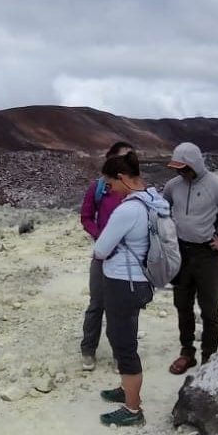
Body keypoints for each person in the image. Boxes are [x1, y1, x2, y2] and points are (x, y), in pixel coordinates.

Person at [93, 151, 169, 427]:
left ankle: (133, 410)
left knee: (123, 345)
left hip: (123, 283)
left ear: (123, 178)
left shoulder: (128, 209)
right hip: (142, 282)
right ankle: (126, 388)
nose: (108, 188)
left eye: (110, 182)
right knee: (127, 335)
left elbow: (101, 249)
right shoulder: (154, 200)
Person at [163, 143, 218, 374]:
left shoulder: (216, 185)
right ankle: (187, 352)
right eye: (177, 169)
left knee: (209, 309)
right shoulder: (173, 186)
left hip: (207, 255)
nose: (180, 173)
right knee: (182, 305)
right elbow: (161, 210)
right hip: (181, 254)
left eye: (184, 168)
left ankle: (208, 357)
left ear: (195, 164)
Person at [79, 141, 134, 371]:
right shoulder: (99, 188)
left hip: (128, 257)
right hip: (103, 256)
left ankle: (122, 354)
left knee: (124, 307)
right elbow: (86, 216)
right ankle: (88, 350)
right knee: (97, 304)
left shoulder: (135, 188)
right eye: (122, 158)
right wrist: (101, 237)